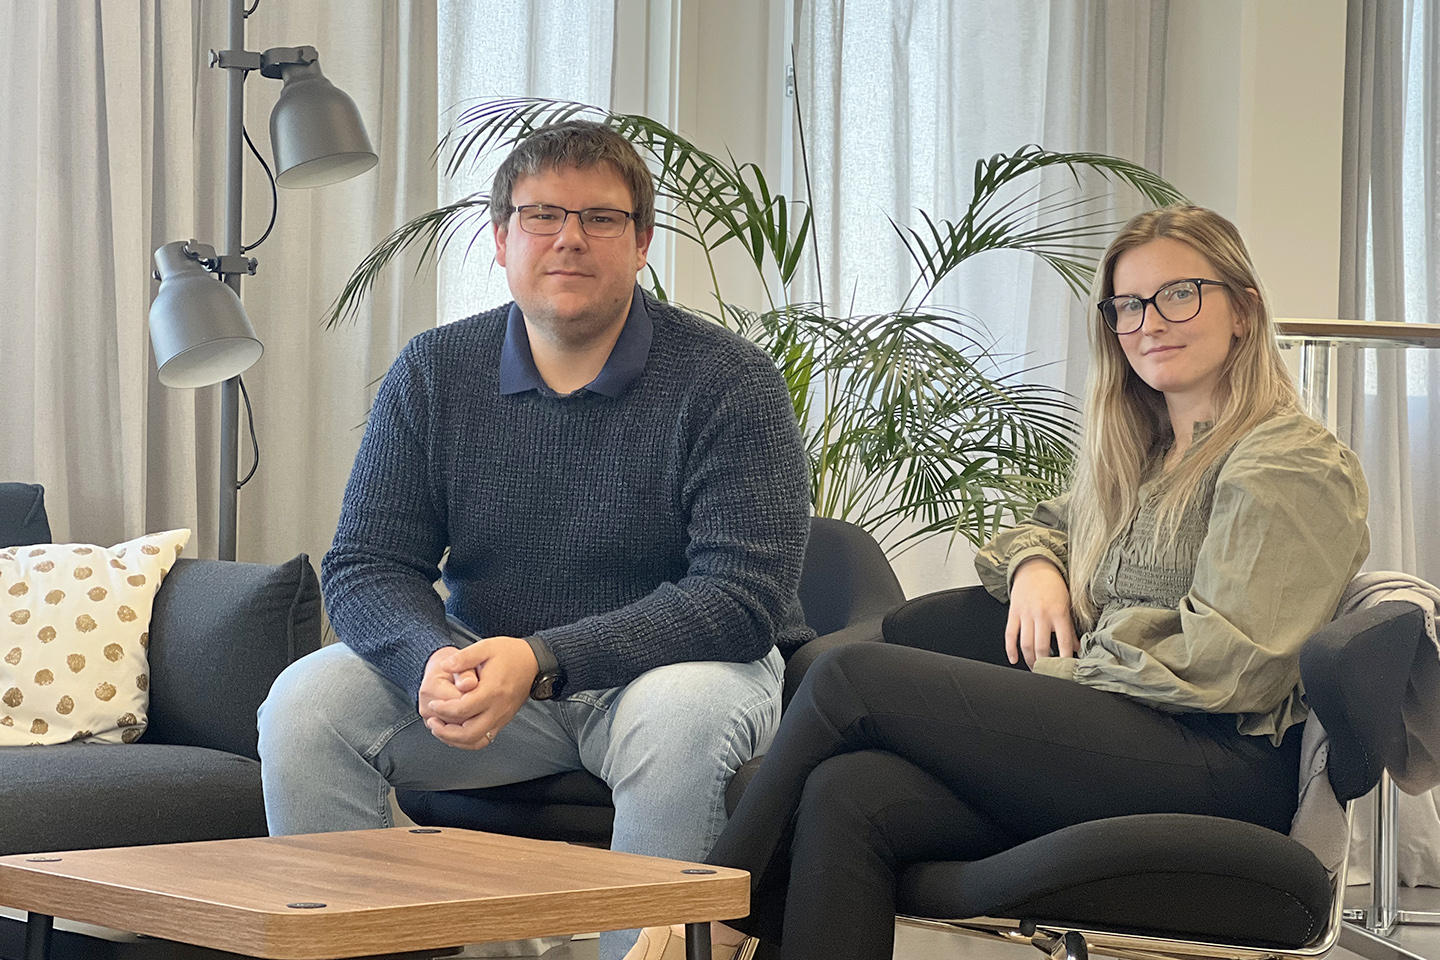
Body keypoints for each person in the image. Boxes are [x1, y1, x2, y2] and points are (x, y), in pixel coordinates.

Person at [623, 205, 1371, 960]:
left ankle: (710, 921)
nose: (1150, 322)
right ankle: (716, 922)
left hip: (1215, 761)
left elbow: (1229, 663)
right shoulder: (1147, 455)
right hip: (1132, 737)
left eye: (1180, 295)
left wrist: (1068, 671)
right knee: (849, 793)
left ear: (1242, 309)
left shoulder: (1285, 462)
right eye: (1128, 306)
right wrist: (1040, 567)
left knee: (847, 676)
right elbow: (1037, 526)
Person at [256, 121, 814, 960]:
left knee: (680, 722)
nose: (570, 239)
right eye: (543, 215)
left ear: (643, 242)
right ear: (501, 239)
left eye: (602, 218)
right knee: (304, 707)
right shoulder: (436, 370)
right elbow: (368, 562)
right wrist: (425, 659)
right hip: (488, 664)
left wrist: (543, 658)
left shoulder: (730, 381)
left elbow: (742, 600)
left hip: (677, 674)